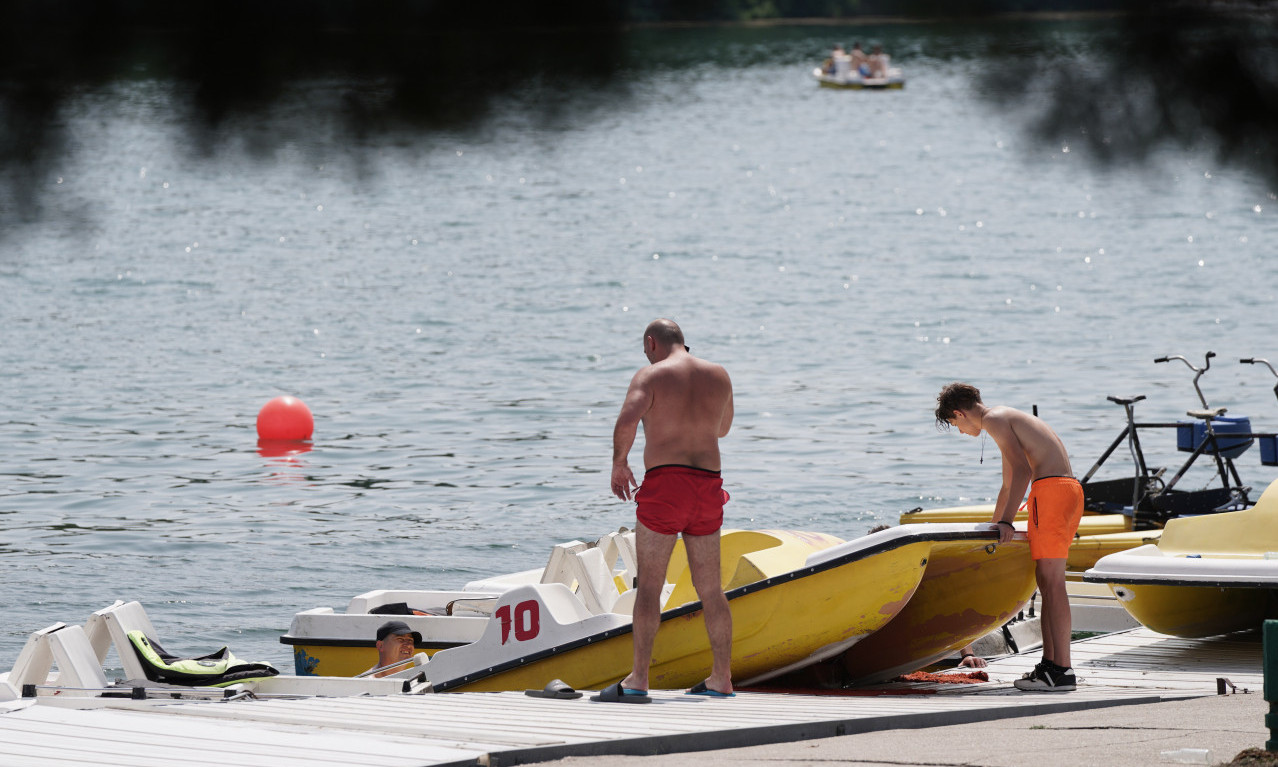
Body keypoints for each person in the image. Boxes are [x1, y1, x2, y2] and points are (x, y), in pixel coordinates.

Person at [606, 318, 735, 702]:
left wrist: (619, 463)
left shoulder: (650, 376)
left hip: (667, 486)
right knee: (711, 588)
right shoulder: (720, 375)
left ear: (652, 343)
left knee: (649, 586)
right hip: (708, 485)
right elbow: (723, 429)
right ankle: (721, 678)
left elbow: (627, 420)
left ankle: (639, 679)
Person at [934, 382, 1083, 692]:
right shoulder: (1003, 419)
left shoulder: (994, 420)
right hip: (1067, 491)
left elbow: (1023, 472)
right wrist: (995, 525)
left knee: (1052, 583)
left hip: (1051, 492)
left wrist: (1006, 522)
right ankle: (1051, 665)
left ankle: (1061, 670)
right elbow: (1008, 484)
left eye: (955, 424)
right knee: (1047, 581)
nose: (961, 432)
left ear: (960, 413)